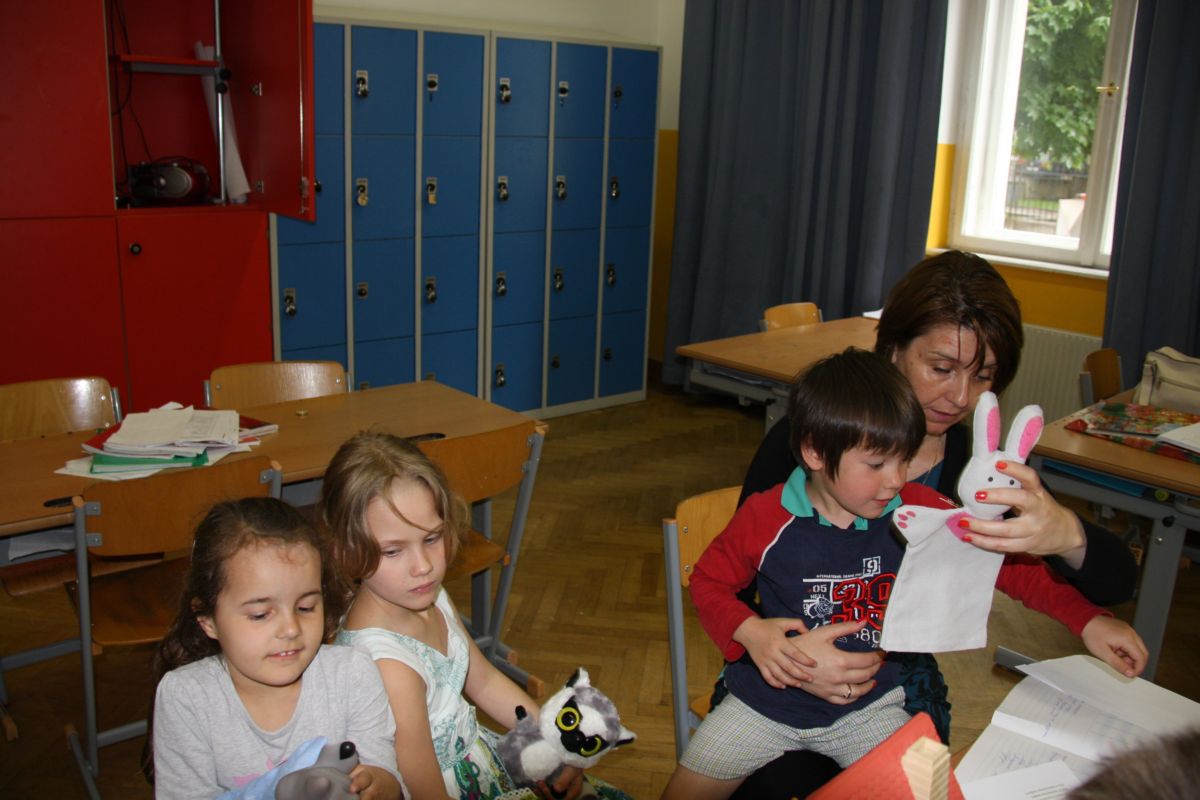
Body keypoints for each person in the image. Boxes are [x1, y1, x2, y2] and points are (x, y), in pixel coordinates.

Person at [731, 250, 1142, 797]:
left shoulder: (977, 467)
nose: (961, 397)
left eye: (983, 376)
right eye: (942, 369)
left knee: (907, 783)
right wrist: (785, 652)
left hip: (895, 682)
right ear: (892, 350)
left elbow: (1106, 580)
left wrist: (1067, 537)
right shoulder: (814, 443)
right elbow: (734, 582)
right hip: (782, 669)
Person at [321, 432, 631, 800]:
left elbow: (483, 682)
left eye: (432, 538)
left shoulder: (428, 595)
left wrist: (554, 744)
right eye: (392, 551)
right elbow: (426, 792)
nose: (423, 566)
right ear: (346, 551)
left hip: (481, 758)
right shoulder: (388, 667)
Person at [151, 497, 404, 800]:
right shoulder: (185, 697)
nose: (291, 629)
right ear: (208, 620)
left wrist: (377, 784)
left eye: (306, 607)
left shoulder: (352, 672)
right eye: (260, 614)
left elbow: (386, 776)